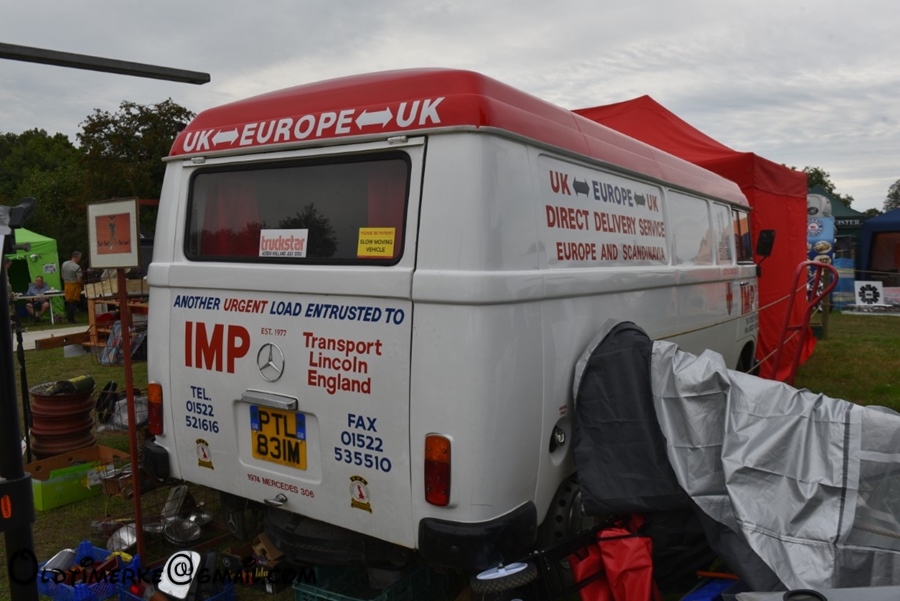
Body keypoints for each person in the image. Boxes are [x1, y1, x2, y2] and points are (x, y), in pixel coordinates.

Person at [61, 250, 83, 324]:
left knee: (68, 301)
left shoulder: (64, 263)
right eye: (80, 257)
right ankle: (71, 319)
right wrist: (82, 285)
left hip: (66, 284)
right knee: (73, 302)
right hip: (74, 285)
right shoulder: (77, 267)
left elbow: (62, 275)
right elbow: (79, 279)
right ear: (77, 257)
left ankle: (69, 318)